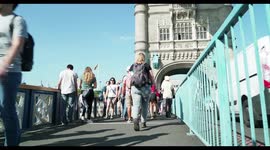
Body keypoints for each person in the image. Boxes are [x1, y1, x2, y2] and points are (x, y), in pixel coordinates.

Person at [0, 4, 27, 146]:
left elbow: (17, 44)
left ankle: (11, 142)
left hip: (9, 72)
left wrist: (4, 65)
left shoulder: (17, 20)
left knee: (7, 110)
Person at [129, 52, 155, 131]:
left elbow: (130, 77)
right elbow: (151, 76)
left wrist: (130, 87)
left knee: (136, 105)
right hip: (145, 87)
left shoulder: (132, 66)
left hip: (135, 87)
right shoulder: (146, 65)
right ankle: (143, 122)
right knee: (145, 106)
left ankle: (136, 120)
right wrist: (154, 84)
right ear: (144, 58)